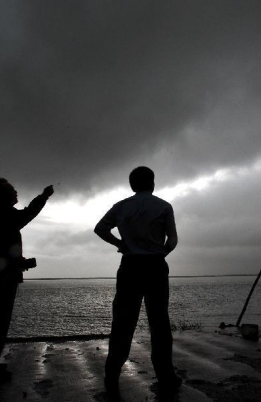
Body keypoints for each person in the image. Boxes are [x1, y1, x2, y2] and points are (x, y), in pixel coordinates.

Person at [94, 166, 182, 392]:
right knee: (159, 322)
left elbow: (100, 228)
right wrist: (163, 251)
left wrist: (119, 244)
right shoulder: (163, 206)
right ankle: (165, 375)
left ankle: (112, 372)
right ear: (152, 183)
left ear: (132, 185)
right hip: (155, 266)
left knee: (123, 322)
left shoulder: (121, 206)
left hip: (130, 266)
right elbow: (172, 240)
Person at [0, 178, 54, 382]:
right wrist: (44, 196)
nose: (16, 192)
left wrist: (19, 262)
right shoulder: (3, 215)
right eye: (11, 190)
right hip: (2, 279)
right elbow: (28, 214)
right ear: (3, 196)